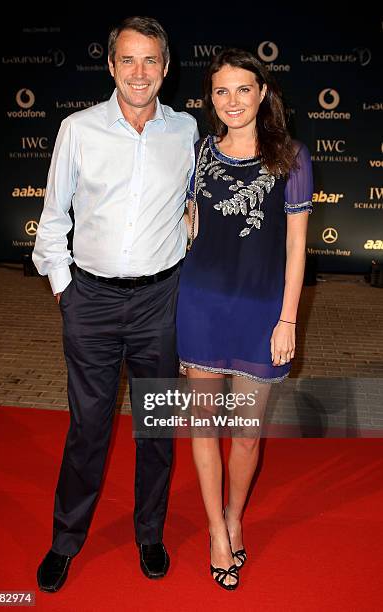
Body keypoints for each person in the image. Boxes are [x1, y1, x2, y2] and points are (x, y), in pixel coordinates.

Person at [32, 16, 198, 592]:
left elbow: (196, 204)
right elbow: (53, 218)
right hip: (92, 301)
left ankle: (149, 533)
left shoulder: (186, 132)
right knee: (88, 429)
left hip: (160, 301)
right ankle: (65, 540)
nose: (139, 72)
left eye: (150, 60)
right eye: (128, 59)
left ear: (166, 67)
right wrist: (64, 291)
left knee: (157, 426)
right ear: (110, 65)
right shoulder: (78, 129)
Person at [176, 48, 313, 590]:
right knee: (205, 428)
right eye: (220, 91)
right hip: (201, 306)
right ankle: (216, 529)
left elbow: (298, 250)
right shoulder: (199, 152)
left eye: (242, 89)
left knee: (247, 434)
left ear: (262, 93)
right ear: (211, 99)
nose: (231, 101)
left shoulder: (292, 158)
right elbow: (189, 224)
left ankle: (236, 515)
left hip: (260, 313)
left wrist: (288, 320)